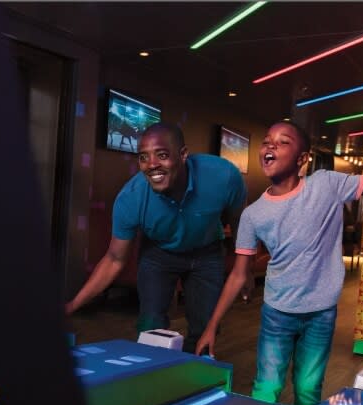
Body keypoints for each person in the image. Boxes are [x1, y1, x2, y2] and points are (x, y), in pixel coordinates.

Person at [195, 96, 363, 405]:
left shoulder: (327, 185)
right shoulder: (253, 214)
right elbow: (238, 274)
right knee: (266, 388)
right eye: (267, 141)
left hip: (321, 313)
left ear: (302, 158)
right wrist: (212, 326)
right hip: (277, 312)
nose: (271, 146)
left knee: (307, 391)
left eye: (283, 142)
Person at [65, 122, 249, 353]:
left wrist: (242, 268)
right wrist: (71, 306)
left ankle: (195, 371)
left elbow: (240, 221)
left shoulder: (223, 176)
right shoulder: (131, 198)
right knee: (150, 325)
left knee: (205, 328)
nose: (151, 165)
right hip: (158, 254)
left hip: (207, 252)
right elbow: (114, 259)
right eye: (144, 157)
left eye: (162, 155)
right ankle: (155, 370)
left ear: (183, 154)